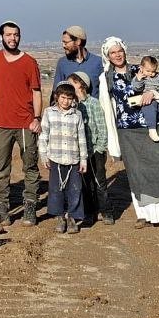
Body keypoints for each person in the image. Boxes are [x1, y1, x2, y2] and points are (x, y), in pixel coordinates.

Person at [98, 36, 159, 226]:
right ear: (107, 56)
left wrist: (153, 93)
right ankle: (146, 215)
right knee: (138, 173)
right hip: (127, 131)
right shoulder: (106, 78)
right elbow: (106, 106)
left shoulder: (141, 69)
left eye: (119, 51)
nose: (117, 55)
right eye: (113, 53)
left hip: (151, 125)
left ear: (125, 51)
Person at [0, 21, 43, 227]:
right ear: (1, 37)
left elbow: (36, 92)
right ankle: (1, 209)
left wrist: (37, 118)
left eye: (16, 34)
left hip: (26, 124)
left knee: (30, 166)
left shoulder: (29, 62)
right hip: (2, 124)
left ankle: (30, 206)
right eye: (8, 34)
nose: (12, 38)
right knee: (1, 168)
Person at [39, 81, 89, 234]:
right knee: (56, 189)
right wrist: (43, 155)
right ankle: (60, 217)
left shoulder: (77, 114)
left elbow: (81, 138)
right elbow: (44, 135)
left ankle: (72, 217)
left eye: (69, 98)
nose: (65, 101)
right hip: (55, 157)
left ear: (73, 99)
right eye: (63, 97)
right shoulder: (49, 112)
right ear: (56, 97)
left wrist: (83, 159)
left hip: (73, 158)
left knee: (75, 189)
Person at [67, 70, 113, 224]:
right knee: (85, 184)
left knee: (99, 182)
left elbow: (102, 127)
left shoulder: (93, 103)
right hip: (80, 153)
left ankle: (106, 211)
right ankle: (89, 213)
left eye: (72, 83)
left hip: (95, 150)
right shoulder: (72, 106)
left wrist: (100, 148)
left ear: (81, 84)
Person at [128, 56, 159, 142]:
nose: (151, 74)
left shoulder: (158, 77)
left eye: (153, 71)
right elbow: (136, 88)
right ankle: (152, 130)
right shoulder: (140, 78)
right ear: (141, 68)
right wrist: (139, 80)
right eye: (148, 71)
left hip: (157, 99)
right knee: (150, 113)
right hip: (147, 101)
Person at [52, 25, 105, 94]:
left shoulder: (98, 62)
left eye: (66, 42)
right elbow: (56, 91)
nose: (63, 45)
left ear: (78, 42)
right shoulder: (62, 63)